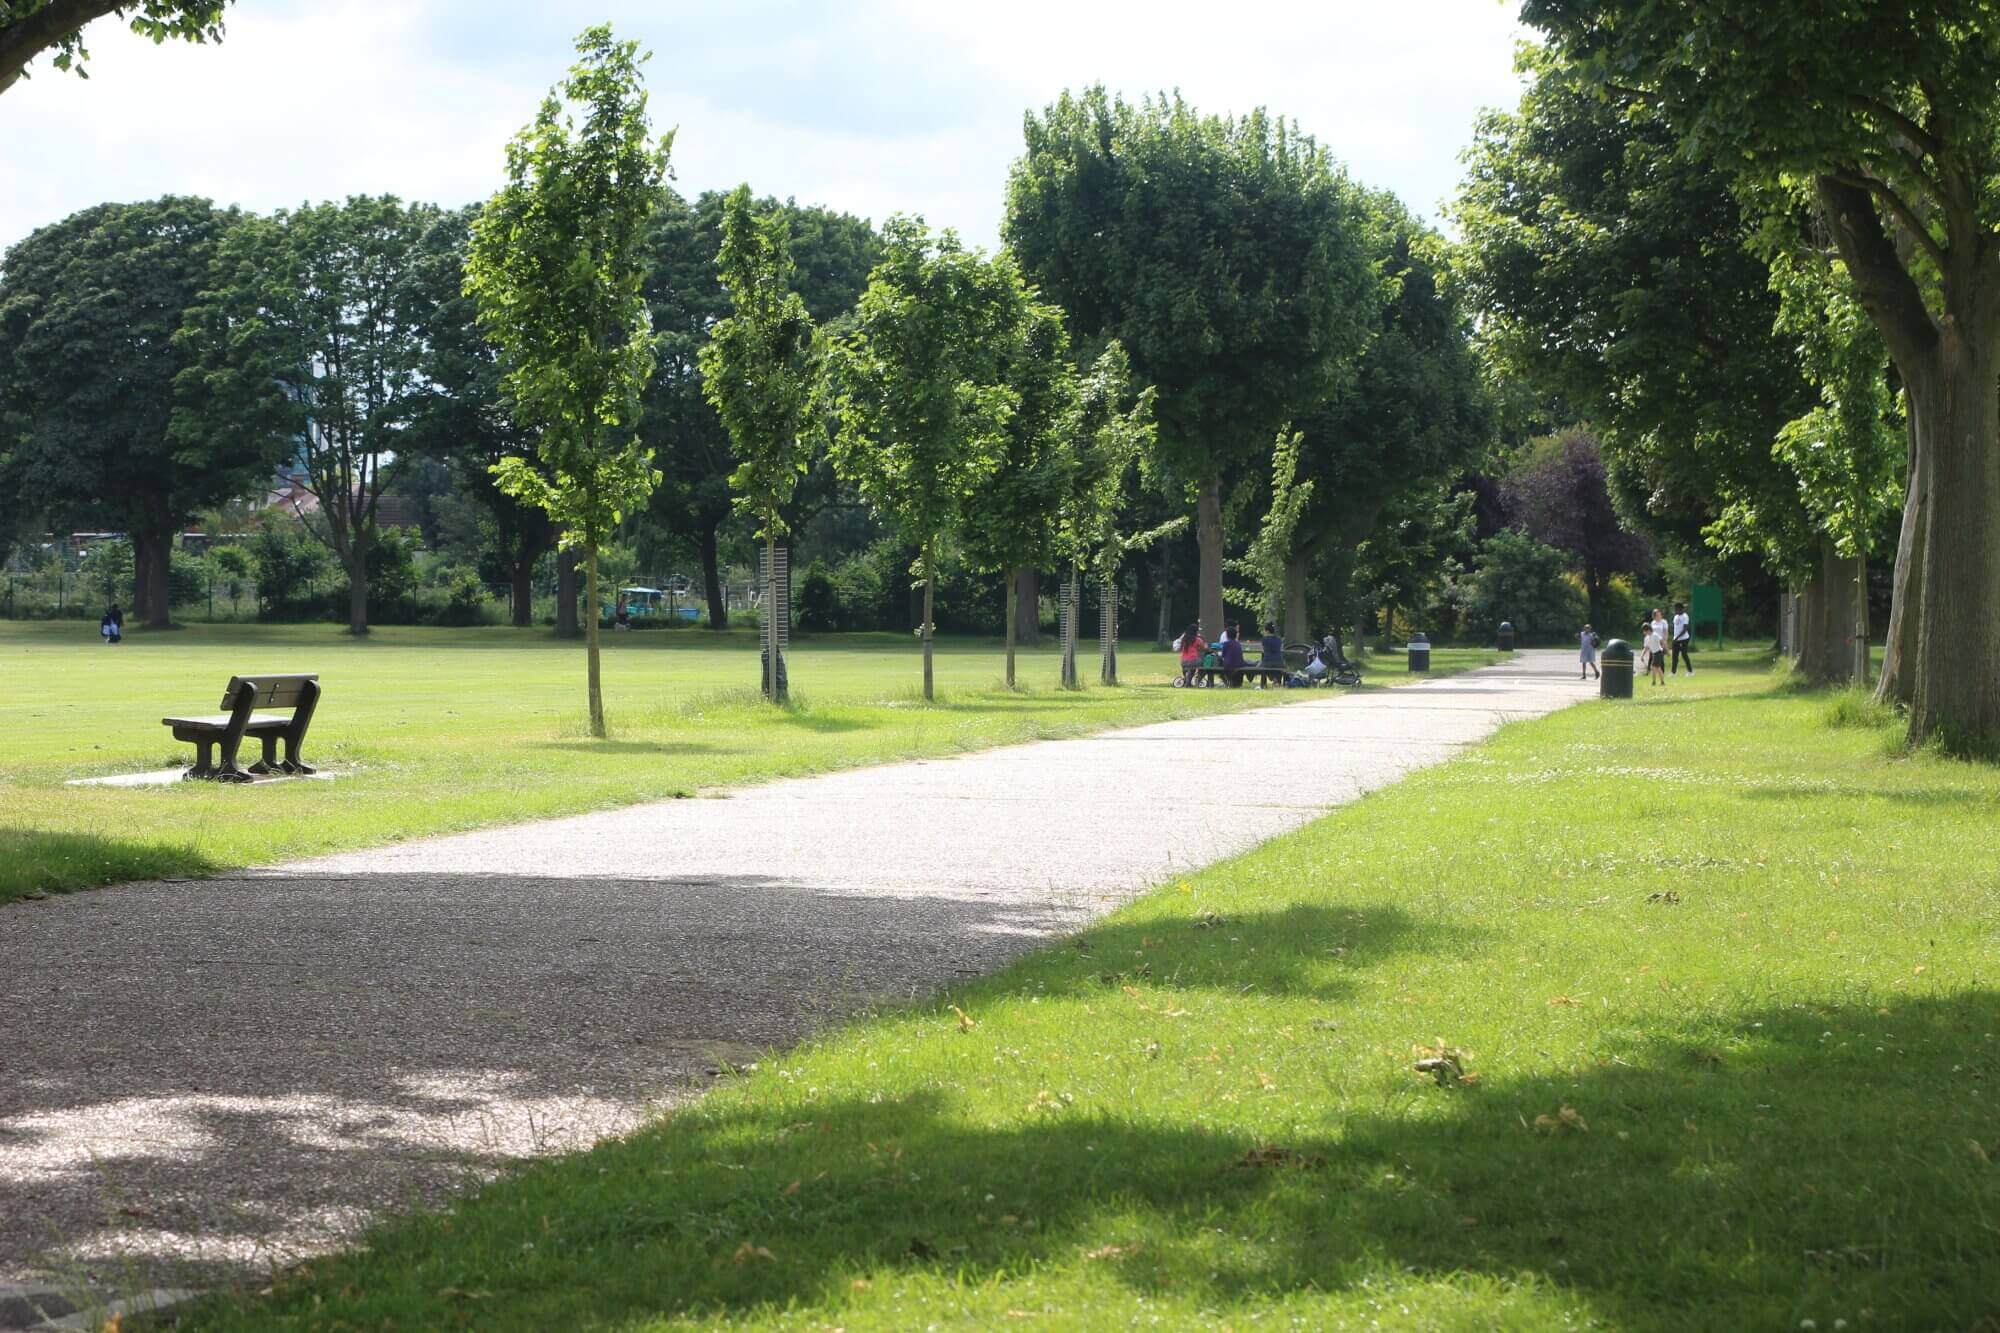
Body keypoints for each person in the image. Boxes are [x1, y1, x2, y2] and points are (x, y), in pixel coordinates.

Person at [1176, 622, 1206, 687]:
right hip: (1193, 660)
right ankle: (1196, 681)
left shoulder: (1184, 639)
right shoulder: (1197, 639)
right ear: (1196, 631)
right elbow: (1204, 648)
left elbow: (1180, 648)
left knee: (1188, 669)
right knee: (1204, 665)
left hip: (1183, 661)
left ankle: (1187, 681)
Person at [1218, 621, 1247, 685]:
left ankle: (1227, 681)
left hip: (1229, 665)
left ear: (1227, 635)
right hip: (1239, 664)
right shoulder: (1238, 643)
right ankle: (1235, 682)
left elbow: (1223, 655)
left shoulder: (1226, 644)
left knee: (1219, 662)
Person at [1670, 601, 1694, 676]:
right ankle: (1673, 672)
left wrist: (1677, 638)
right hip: (1676, 639)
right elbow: (1675, 627)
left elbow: (1684, 630)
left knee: (1684, 654)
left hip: (1684, 639)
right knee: (1674, 656)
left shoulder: (1685, 616)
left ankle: (1690, 671)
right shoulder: (1676, 617)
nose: (1675, 610)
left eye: (1676, 609)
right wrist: (1674, 637)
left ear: (1680, 609)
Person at [1645, 609, 1668, 685]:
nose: (1659, 616)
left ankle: (1659, 679)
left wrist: (1664, 642)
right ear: (1654, 616)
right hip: (1653, 643)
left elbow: (1665, 632)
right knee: (1653, 662)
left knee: (1659, 663)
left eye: (1660, 614)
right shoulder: (1652, 623)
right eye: (1657, 615)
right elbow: (1650, 632)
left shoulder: (1664, 622)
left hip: (1660, 643)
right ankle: (1655, 678)